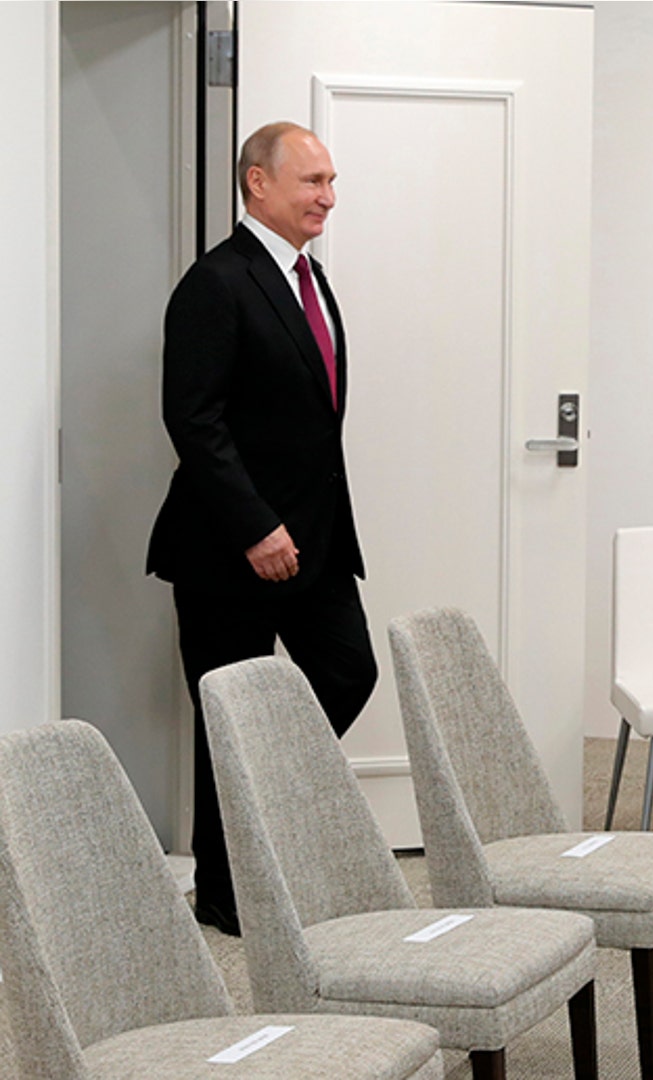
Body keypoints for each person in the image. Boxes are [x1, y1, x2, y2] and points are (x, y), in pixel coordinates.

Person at [148, 122, 377, 938]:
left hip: (313, 542)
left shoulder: (308, 277)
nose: (328, 196)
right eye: (312, 181)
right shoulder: (216, 283)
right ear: (257, 184)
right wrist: (255, 527)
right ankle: (224, 892)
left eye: (331, 180)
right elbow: (194, 418)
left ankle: (271, 808)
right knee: (228, 721)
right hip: (227, 551)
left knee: (350, 671)